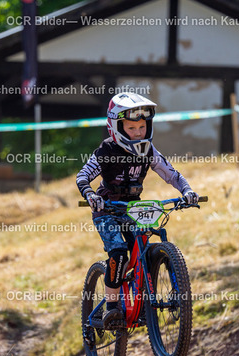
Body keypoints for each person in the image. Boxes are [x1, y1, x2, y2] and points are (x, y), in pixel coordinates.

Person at [76, 92, 199, 328]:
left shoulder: (149, 151)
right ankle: (111, 308)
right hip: (107, 210)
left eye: (142, 127)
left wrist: (187, 191)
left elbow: (171, 174)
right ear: (116, 127)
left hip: (132, 209)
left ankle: (144, 302)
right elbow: (83, 176)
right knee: (120, 254)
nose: (138, 133)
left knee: (144, 248)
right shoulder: (106, 151)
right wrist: (91, 195)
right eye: (131, 128)